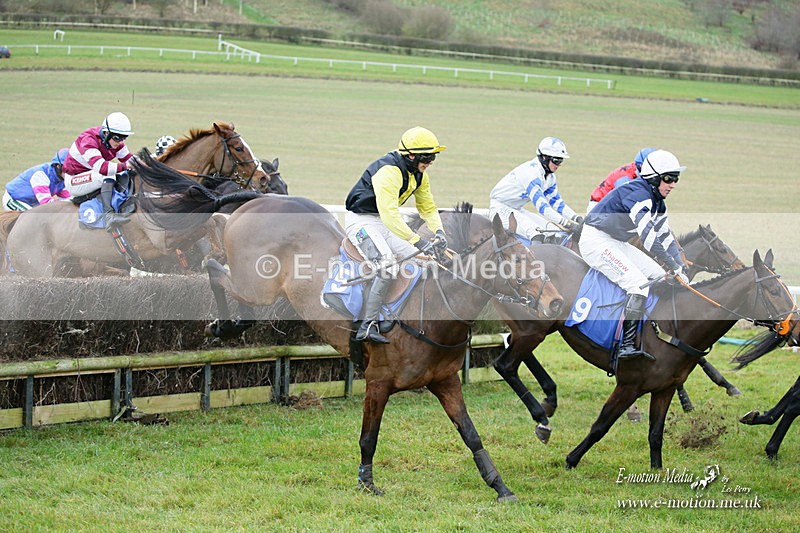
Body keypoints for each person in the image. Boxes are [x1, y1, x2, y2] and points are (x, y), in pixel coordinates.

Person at [579, 149, 688, 361]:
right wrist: (673, 266)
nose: (673, 184)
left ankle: (652, 332)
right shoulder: (639, 196)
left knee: (659, 275)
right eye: (669, 179)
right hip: (595, 240)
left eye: (676, 179)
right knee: (637, 284)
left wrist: (680, 268)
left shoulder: (658, 202)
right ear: (654, 178)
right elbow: (648, 238)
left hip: (615, 241)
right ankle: (627, 346)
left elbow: (665, 237)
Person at [344, 126, 447, 344]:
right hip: (362, 222)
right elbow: (390, 214)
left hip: (384, 223)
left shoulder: (419, 175)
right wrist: (418, 241)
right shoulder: (388, 172)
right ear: (410, 156)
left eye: (433, 157)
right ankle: (367, 324)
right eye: (426, 157)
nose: (430, 162)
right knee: (387, 265)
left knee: (427, 262)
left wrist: (439, 232)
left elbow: (427, 207)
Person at [489, 136, 583, 244]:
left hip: (516, 208)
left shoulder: (550, 177)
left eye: (561, 161)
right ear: (544, 158)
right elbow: (543, 208)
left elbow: (557, 203)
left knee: (553, 232)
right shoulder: (531, 174)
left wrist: (578, 219)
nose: (558, 165)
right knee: (537, 235)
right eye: (556, 160)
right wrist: (568, 224)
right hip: (500, 208)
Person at [63, 112, 134, 225]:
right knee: (108, 173)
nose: (120, 142)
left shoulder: (116, 142)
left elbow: (130, 159)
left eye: (124, 138)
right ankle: (108, 215)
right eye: (117, 138)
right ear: (106, 133)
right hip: (74, 180)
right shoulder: (88, 140)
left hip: (91, 174)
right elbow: (102, 168)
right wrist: (126, 166)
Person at [586, 147, 656, 213]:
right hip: (599, 207)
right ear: (641, 165)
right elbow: (624, 200)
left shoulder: (638, 172)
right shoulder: (625, 178)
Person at [3, 148, 72, 211]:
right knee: (31, 219)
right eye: (68, 167)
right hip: (14, 200)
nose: (72, 171)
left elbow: (68, 199)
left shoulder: (62, 179)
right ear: (58, 166)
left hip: (30, 203)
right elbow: (47, 204)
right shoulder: (41, 175)